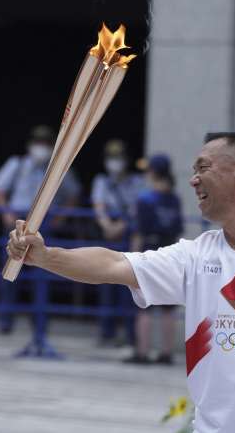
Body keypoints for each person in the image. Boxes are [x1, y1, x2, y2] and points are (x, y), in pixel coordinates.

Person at [7, 132, 235, 431]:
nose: (192, 180)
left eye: (203, 168)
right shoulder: (195, 255)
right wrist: (45, 256)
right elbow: (113, 263)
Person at [0, 125, 81, 334]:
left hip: (45, 223)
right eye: (37, 142)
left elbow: (73, 193)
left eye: (45, 143)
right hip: (18, 220)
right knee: (9, 272)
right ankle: (5, 320)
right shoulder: (17, 163)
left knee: (43, 272)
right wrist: (5, 212)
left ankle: (39, 321)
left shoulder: (58, 167)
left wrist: (61, 218)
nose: (41, 147)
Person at [125, 154, 182, 365]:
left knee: (143, 306)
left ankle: (142, 352)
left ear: (153, 172)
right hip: (171, 252)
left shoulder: (145, 199)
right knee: (169, 307)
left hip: (148, 251)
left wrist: (131, 258)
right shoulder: (174, 199)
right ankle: (166, 353)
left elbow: (138, 232)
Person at [91, 140, 146, 344]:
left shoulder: (137, 181)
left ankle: (131, 334)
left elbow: (136, 208)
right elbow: (99, 205)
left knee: (128, 285)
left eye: (118, 158)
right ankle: (107, 332)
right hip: (107, 235)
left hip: (127, 235)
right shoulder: (101, 181)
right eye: (111, 158)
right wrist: (107, 225)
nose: (115, 162)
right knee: (105, 282)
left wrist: (120, 226)